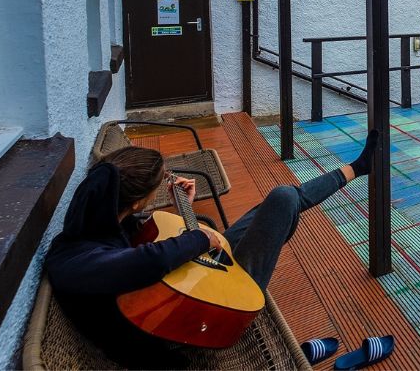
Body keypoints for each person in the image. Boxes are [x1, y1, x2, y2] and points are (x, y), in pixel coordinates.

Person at [45, 134, 394, 370]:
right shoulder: (71, 261)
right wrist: (200, 240)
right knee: (284, 202)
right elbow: (143, 261)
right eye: (157, 186)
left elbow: (137, 247)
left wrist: (185, 206)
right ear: (135, 199)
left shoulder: (98, 225)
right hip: (199, 320)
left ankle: (355, 169)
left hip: (186, 290)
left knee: (281, 199)